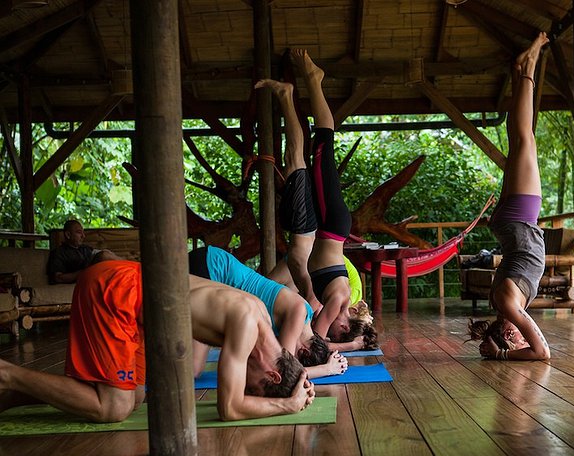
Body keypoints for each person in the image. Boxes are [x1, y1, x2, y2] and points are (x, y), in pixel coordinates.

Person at [0, 260, 314, 423]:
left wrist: (302, 379)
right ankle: (7, 373)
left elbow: (285, 360)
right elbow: (229, 408)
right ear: (271, 374)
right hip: (116, 291)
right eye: (254, 387)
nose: (246, 387)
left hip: (132, 305)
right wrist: (285, 404)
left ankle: (12, 396)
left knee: (134, 399)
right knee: (114, 407)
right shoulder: (248, 323)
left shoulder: (260, 319)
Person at [256, 50, 352, 346]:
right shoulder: (336, 302)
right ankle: (314, 80)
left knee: (304, 155)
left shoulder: (334, 301)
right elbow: (319, 339)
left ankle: (295, 91)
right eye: (339, 330)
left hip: (323, 226)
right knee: (323, 145)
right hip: (332, 224)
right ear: (345, 326)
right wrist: (349, 346)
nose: (331, 326)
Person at [468, 33, 551, 361]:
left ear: (506, 332)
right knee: (520, 141)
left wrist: (502, 356)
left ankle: (527, 67)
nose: (522, 337)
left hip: (520, 220)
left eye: (514, 339)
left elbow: (542, 353)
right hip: (513, 225)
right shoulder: (501, 306)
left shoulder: (507, 307)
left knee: (524, 139)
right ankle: (521, 72)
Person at [188, 245, 347, 379]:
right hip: (212, 266)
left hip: (212, 268)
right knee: (193, 367)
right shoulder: (299, 312)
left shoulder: (304, 318)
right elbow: (285, 370)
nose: (289, 352)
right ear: (303, 350)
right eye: (296, 357)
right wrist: (327, 370)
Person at [46, 219, 118, 284]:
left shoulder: (85, 249)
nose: (83, 236)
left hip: (94, 276)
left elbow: (102, 254)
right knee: (104, 255)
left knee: (105, 254)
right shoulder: (59, 252)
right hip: (83, 278)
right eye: (79, 232)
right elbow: (58, 278)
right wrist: (84, 272)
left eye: (83, 233)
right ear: (68, 235)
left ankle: (127, 266)